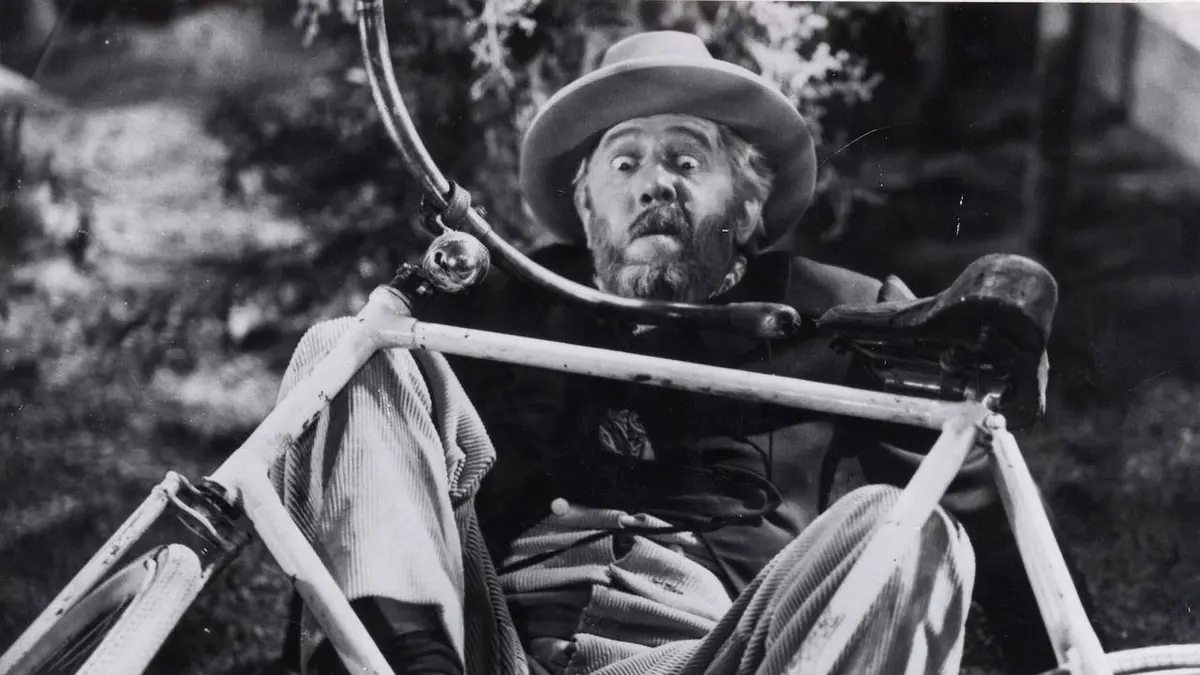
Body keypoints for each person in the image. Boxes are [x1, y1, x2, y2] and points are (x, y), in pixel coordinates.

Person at [275, 31, 1064, 675]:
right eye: (625, 164)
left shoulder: (833, 308)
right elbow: (369, 458)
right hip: (493, 643)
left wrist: (1061, 654)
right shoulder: (505, 299)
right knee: (345, 348)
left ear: (747, 208)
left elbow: (977, 491)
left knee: (907, 529)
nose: (655, 184)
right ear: (586, 208)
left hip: (716, 651)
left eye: (687, 162)